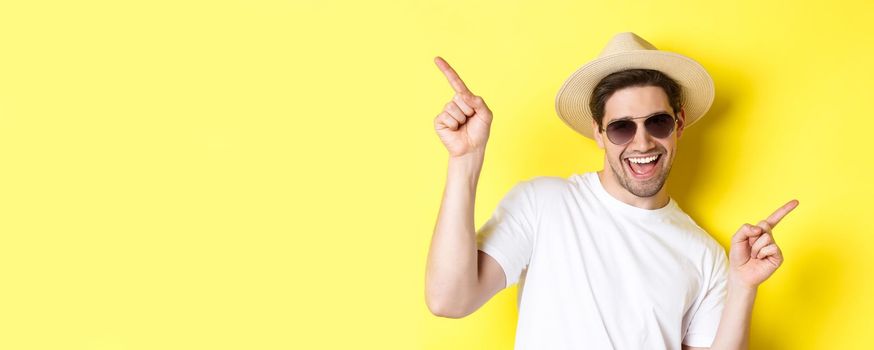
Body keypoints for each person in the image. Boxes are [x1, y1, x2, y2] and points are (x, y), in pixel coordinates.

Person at [424, 32, 799, 350]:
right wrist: (465, 160)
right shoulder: (543, 205)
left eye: (658, 122)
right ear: (598, 133)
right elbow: (448, 299)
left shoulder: (704, 255)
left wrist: (742, 285)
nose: (642, 143)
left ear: (679, 123)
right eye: (622, 127)